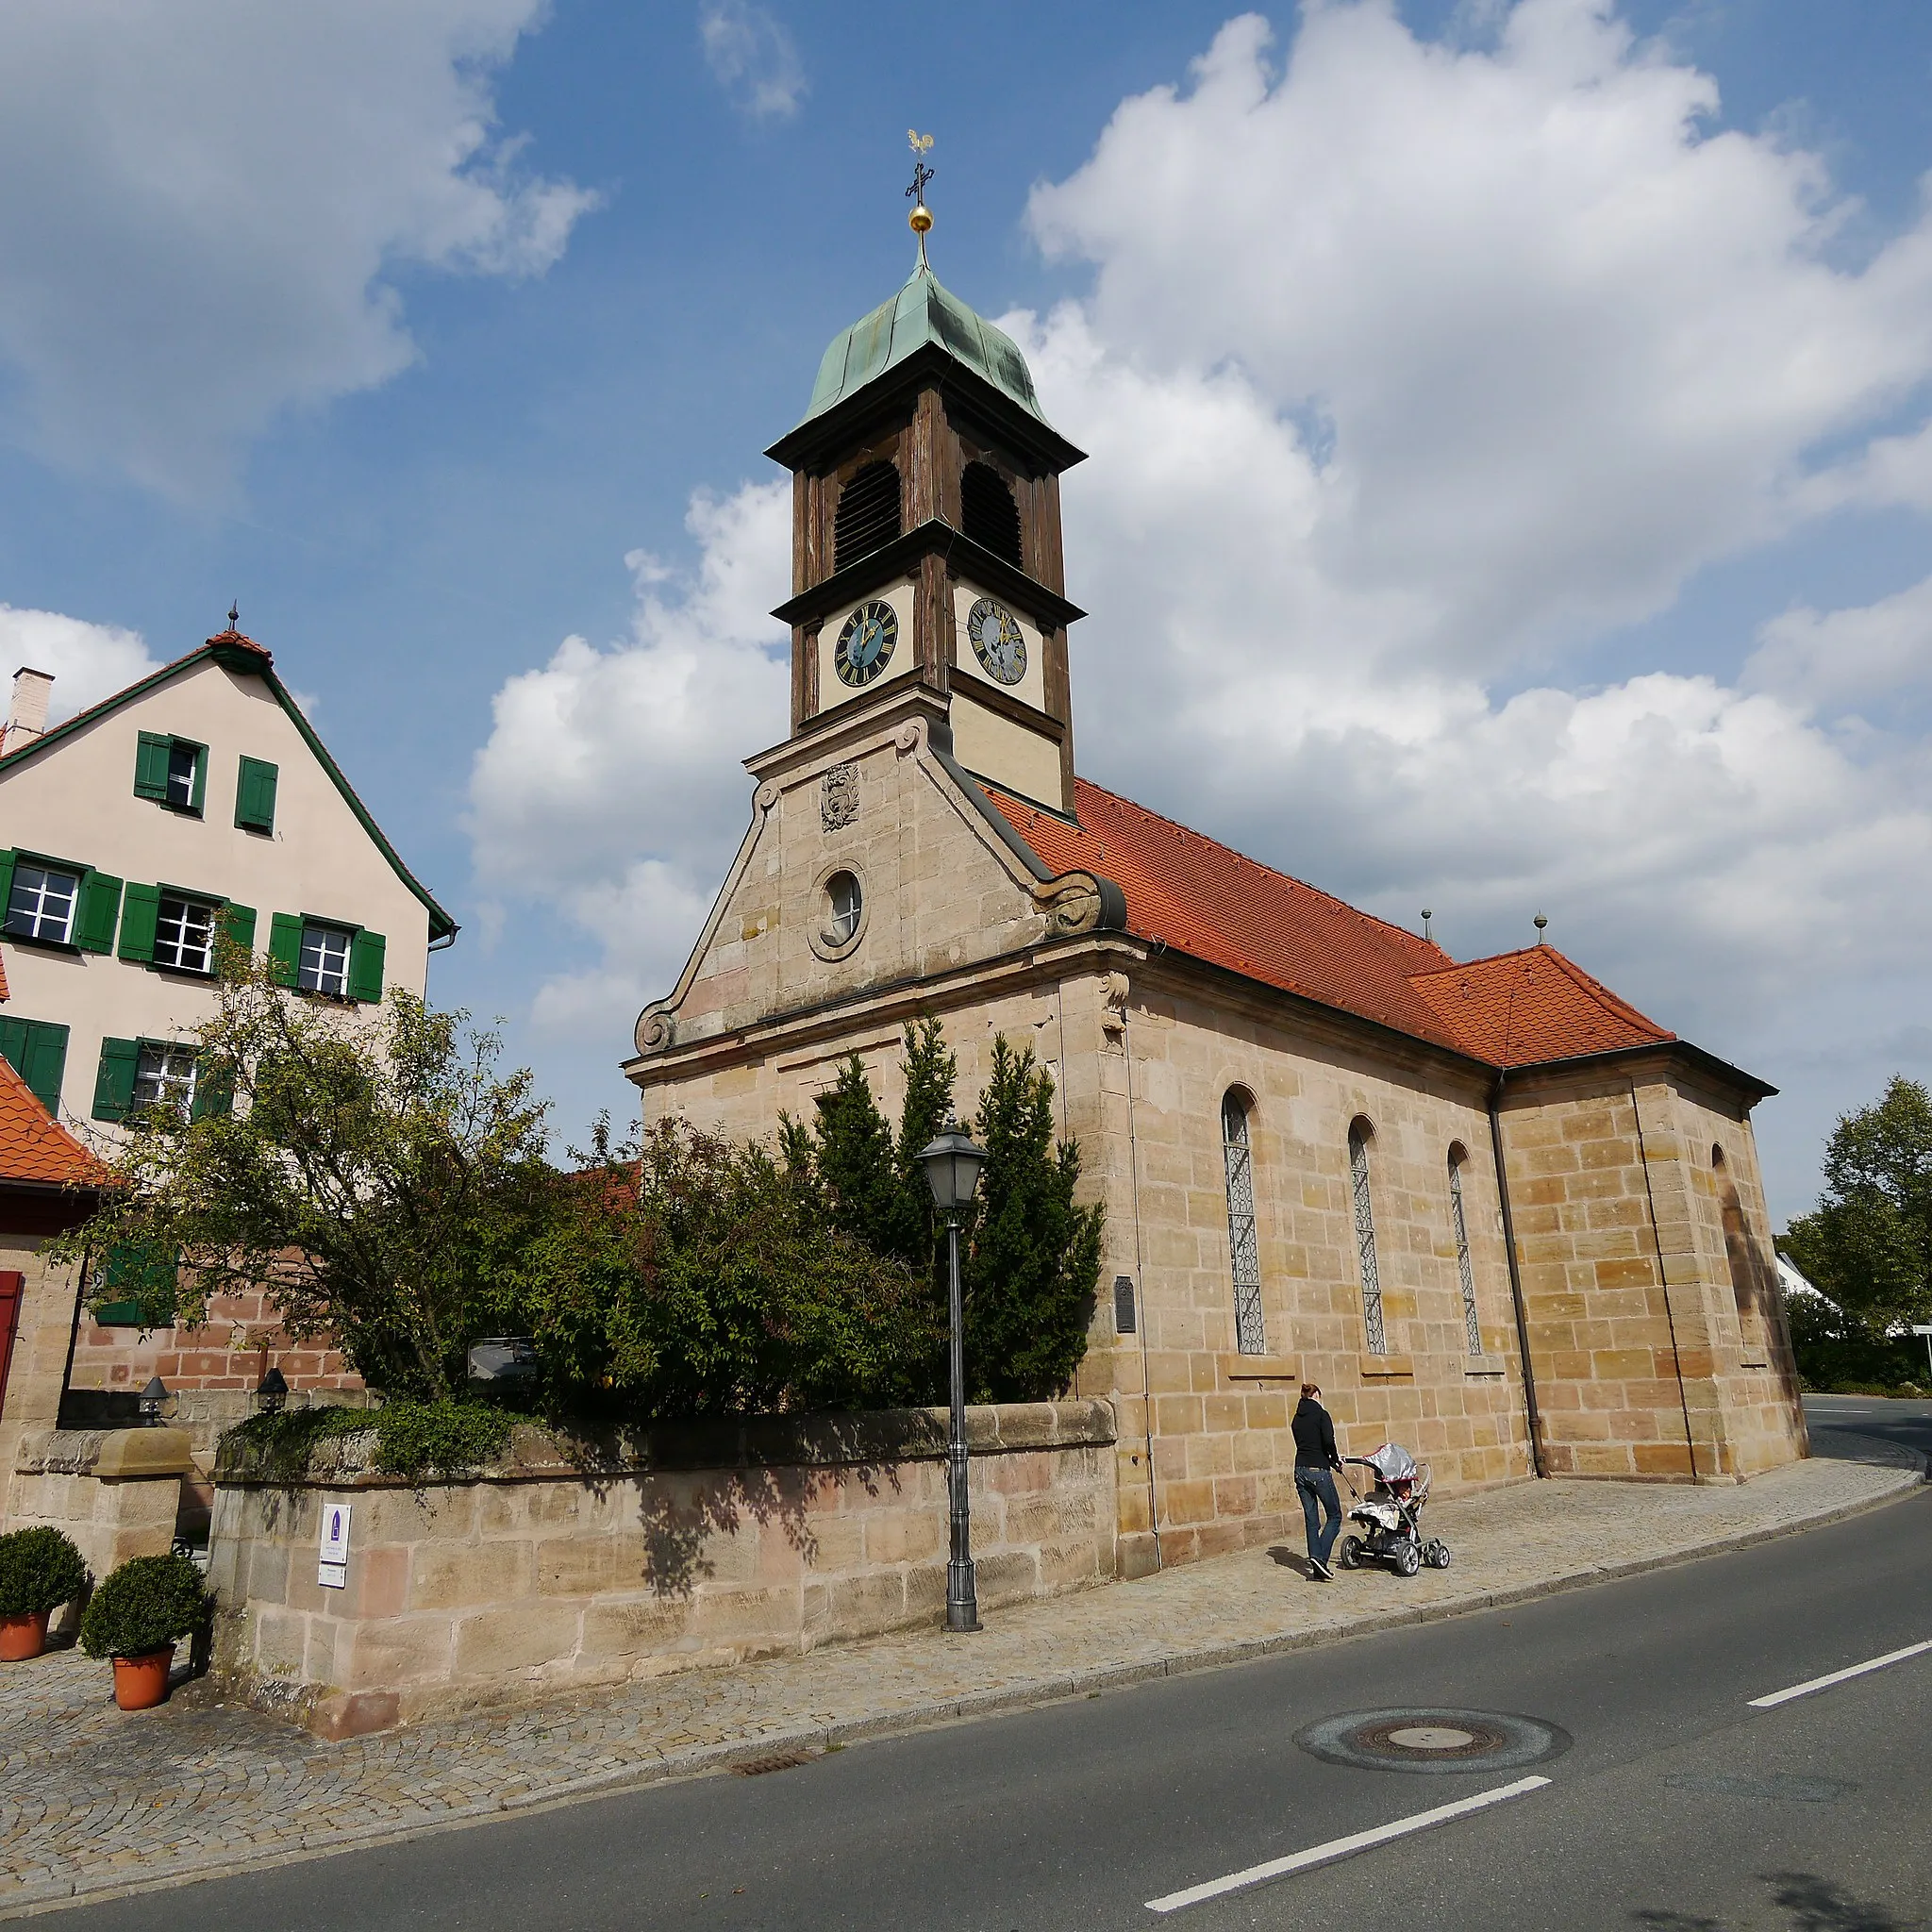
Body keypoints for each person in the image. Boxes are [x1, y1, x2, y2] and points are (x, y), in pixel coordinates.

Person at [1292, 1381, 1344, 1580]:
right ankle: (1320, 1558)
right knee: (1335, 1516)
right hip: (1318, 1470)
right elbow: (1328, 1441)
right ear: (1316, 1396)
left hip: (1300, 1469)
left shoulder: (1296, 1419)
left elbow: (1306, 1444)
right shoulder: (1322, 1415)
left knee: (1311, 1520)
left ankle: (1317, 1564)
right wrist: (1335, 1460)